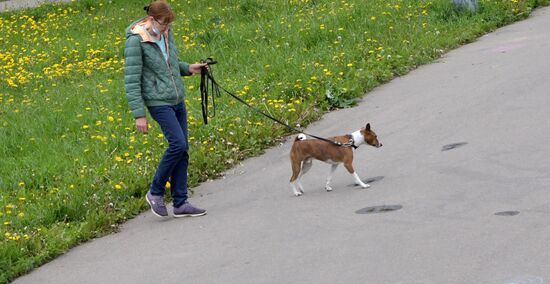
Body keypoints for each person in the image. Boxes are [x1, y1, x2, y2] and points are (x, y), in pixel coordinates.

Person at [124, 0, 207, 218]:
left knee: (183, 148)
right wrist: (139, 114)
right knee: (177, 144)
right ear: (151, 19)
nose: (166, 29)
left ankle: (180, 203)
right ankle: (155, 191)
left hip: (176, 98)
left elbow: (170, 65)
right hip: (157, 102)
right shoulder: (136, 41)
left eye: (169, 26)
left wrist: (188, 68)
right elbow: (131, 80)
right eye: (163, 25)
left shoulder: (166, 34)